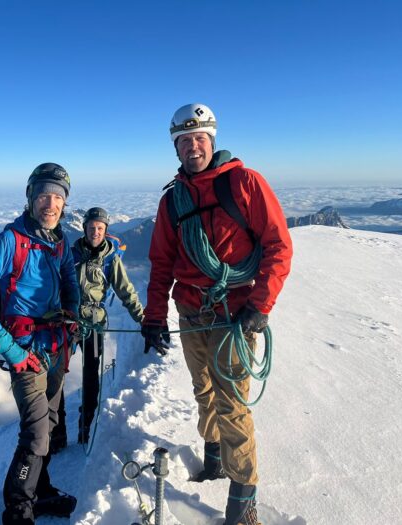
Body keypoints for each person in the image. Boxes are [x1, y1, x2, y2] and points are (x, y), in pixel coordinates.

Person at [142, 103, 293, 525]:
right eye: (185, 141)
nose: (193, 147)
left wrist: (260, 306)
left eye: (200, 139)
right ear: (176, 149)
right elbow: (161, 263)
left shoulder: (244, 183)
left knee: (231, 404)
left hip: (234, 315)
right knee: (203, 389)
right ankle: (214, 458)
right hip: (191, 312)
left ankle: (242, 504)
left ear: (213, 141)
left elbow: (278, 247)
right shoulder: (173, 201)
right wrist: (154, 317)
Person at [0, 162, 80, 525]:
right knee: (36, 432)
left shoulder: (59, 241)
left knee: (52, 420)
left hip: (57, 348)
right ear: (30, 197)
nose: (51, 203)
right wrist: (10, 350)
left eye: (58, 197)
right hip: (26, 351)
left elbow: (70, 280)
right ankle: (18, 511)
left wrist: (73, 319)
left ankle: (41, 493)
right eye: (43, 194)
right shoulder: (9, 241)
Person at [72, 207, 144, 443]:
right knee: (57, 375)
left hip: (93, 322)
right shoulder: (71, 254)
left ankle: (88, 423)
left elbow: (126, 290)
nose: (95, 232)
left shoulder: (110, 258)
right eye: (92, 227)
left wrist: (143, 319)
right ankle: (57, 429)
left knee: (91, 374)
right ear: (84, 229)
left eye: (100, 228)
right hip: (69, 321)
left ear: (105, 231)